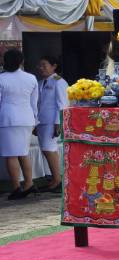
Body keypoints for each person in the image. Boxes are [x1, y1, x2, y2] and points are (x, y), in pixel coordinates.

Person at [0, 49, 39, 200]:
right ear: (21, 61)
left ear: (5, 61)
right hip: (27, 118)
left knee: (11, 155)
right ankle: (29, 184)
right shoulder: (31, 78)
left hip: (8, 119)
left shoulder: (2, 78)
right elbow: (34, 102)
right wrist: (35, 120)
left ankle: (16, 187)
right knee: (23, 152)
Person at [34, 56, 68, 192]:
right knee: (46, 150)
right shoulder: (41, 82)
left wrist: (58, 122)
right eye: (40, 65)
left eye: (44, 65)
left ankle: (57, 180)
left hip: (52, 121)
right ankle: (55, 178)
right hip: (42, 121)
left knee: (49, 149)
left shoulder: (58, 81)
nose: (41, 68)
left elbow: (62, 104)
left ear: (54, 66)